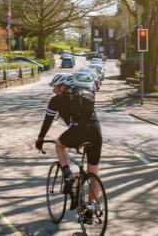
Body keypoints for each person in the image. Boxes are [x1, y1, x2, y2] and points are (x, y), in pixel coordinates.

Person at [35, 74, 102, 220]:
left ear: (62, 86)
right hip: (96, 131)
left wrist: (40, 139)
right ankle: (89, 211)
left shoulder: (56, 100)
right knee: (94, 175)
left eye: (55, 87)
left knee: (59, 144)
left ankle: (67, 173)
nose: (53, 90)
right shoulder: (84, 95)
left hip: (79, 130)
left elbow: (48, 121)